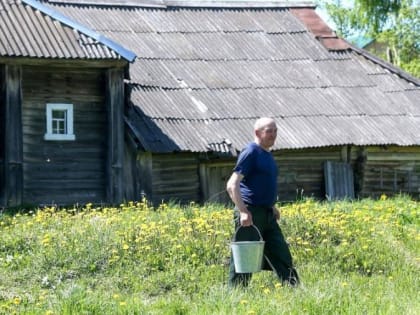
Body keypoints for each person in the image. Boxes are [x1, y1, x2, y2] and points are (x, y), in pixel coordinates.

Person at [226, 117, 299, 288]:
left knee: (280, 252)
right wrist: (243, 211)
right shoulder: (251, 152)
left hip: (266, 213)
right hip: (251, 213)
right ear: (257, 133)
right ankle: (235, 295)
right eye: (269, 131)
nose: (273, 135)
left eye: (275, 131)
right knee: (245, 256)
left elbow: (260, 184)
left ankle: (295, 289)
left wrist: (272, 206)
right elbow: (232, 185)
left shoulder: (267, 155)